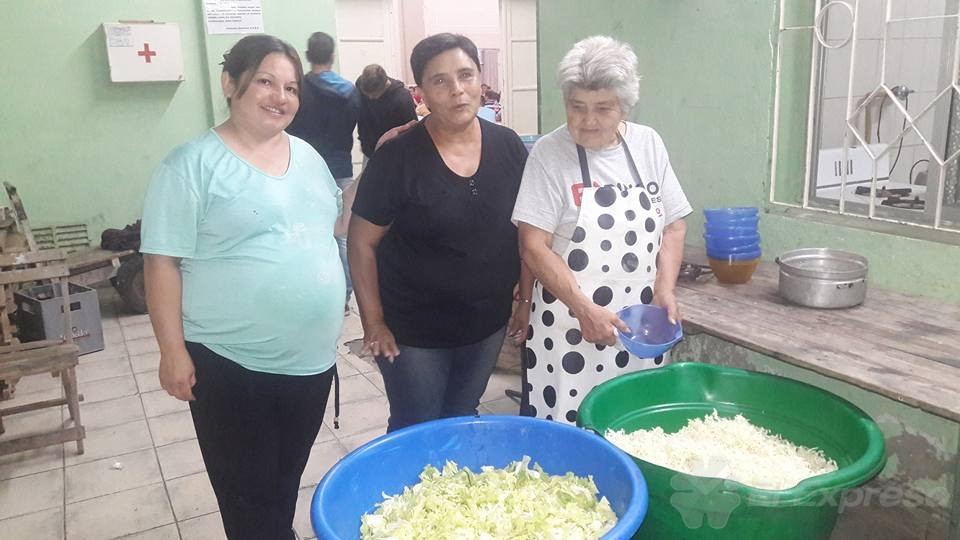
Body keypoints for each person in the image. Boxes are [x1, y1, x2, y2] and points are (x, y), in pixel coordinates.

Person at [141, 34, 344, 540]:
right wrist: (172, 351)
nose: (281, 97)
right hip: (231, 364)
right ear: (230, 83)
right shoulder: (190, 165)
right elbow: (161, 263)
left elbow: (331, 225)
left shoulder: (308, 156)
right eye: (266, 82)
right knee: (246, 496)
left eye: (291, 88)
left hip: (310, 362)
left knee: (283, 484)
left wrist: (385, 160)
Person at [349, 33, 533, 433]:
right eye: (440, 81)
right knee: (416, 425)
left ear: (481, 80)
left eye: (465, 75)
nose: (457, 90)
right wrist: (373, 322)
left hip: (486, 324)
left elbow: (525, 231)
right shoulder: (397, 157)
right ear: (421, 93)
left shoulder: (509, 146)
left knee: (461, 416)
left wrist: (524, 298)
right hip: (413, 331)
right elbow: (361, 242)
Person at [512, 36, 691, 425]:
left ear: (625, 106)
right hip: (569, 330)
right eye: (577, 107)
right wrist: (584, 309)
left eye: (603, 108)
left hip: (639, 330)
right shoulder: (549, 154)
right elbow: (533, 246)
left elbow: (674, 226)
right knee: (569, 431)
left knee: (634, 425)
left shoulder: (648, 144)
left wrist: (665, 289)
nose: (588, 121)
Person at [287, 31, 360, 312]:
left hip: (303, 168)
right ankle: (343, 297)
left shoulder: (299, 90)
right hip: (340, 166)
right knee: (343, 236)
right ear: (333, 55)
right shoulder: (349, 91)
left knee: (305, 231)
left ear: (308, 56)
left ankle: (314, 291)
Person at [355, 64, 418, 164]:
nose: (370, 97)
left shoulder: (402, 100)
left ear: (385, 85)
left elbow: (412, 131)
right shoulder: (360, 85)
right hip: (368, 151)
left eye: (373, 95)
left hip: (392, 156)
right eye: (367, 94)